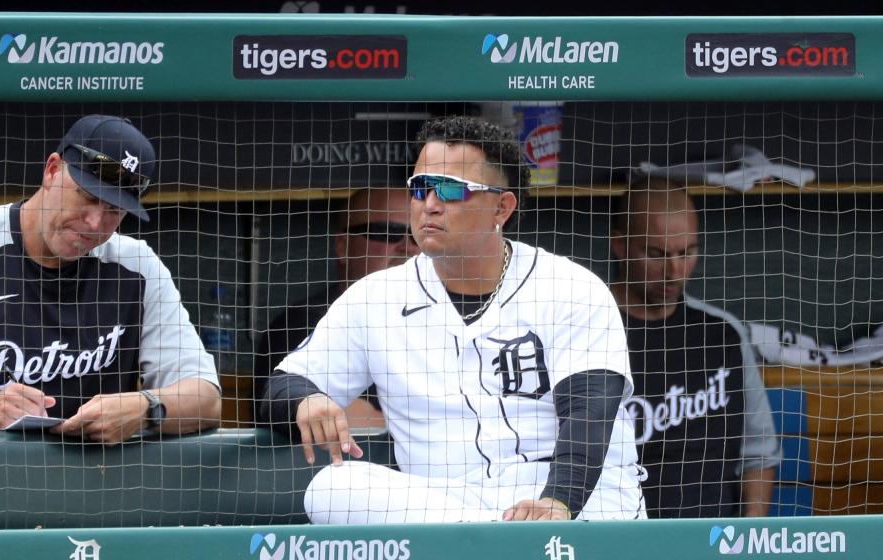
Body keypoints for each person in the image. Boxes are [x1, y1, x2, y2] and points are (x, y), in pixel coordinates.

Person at [263, 115, 646, 524]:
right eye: (420, 188)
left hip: (572, 508)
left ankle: (496, 544)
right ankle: (493, 543)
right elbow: (281, 386)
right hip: (452, 513)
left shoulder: (570, 286)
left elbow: (590, 411)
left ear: (502, 206)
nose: (430, 203)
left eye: (450, 189)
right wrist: (308, 399)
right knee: (332, 489)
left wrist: (557, 502)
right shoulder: (375, 298)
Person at [0, 114, 222, 444]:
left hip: (95, 484)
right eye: (88, 196)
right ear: (52, 170)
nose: (95, 222)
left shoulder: (137, 265)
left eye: (114, 210)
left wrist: (146, 407)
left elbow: (207, 399)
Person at [609, 177, 781, 518]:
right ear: (621, 246)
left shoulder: (723, 333)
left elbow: (759, 453)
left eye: (687, 253)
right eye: (657, 255)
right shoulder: (586, 331)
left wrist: (750, 539)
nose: (674, 272)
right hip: (618, 537)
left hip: (715, 540)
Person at [253, 187, 419, 427]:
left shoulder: (441, 316)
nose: (408, 246)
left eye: (416, 234)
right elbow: (355, 423)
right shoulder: (303, 321)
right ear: (343, 246)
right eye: (388, 232)